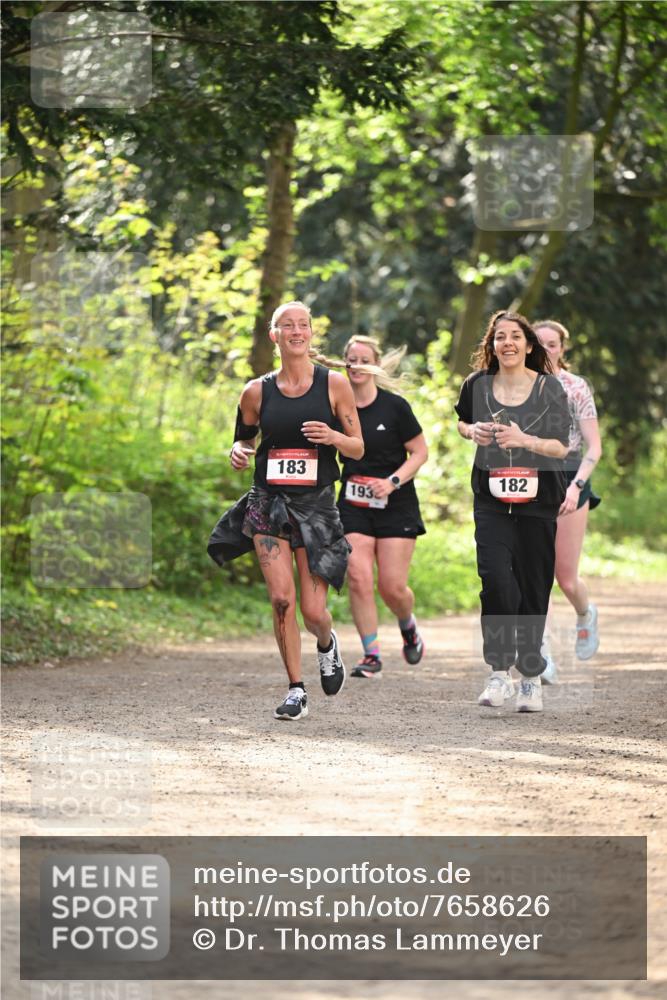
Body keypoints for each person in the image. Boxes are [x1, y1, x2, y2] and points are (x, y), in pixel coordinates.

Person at [207, 301, 364, 721]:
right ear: (274, 335)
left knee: (313, 611)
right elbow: (242, 440)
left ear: (311, 333)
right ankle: (296, 689)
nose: (296, 331)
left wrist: (332, 436)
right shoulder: (256, 391)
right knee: (281, 599)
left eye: (303, 325)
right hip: (267, 503)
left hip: (315, 505)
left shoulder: (334, 385)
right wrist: (238, 452)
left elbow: (357, 446)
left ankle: (327, 643)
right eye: (287, 325)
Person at [454, 310, 571, 713]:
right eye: (499, 336)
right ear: (491, 345)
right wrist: (473, 431)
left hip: (539, 503)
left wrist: (526, 439)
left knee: (533, 588)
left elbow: (561, 447)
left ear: (527, 345)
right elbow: (462, 423)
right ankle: (500, 672)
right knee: (496, 581)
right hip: (490, 500)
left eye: (515, 336)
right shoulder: (477, 385)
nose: (507, 343)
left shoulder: (549, 389)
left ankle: (531, 678)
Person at [337, 336, 428, 677]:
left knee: (391, 587)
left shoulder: (394, 407)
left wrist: (392, 482)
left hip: (396, 502)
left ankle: (407, 624)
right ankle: (370, 654)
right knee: (358, 576)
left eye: (363, 358)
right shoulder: (337, 407)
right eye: (350, 358)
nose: (356, 364)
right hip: (353, 503)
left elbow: (420, 452)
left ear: (374, 365)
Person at [535, 320, 602, 680]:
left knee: (565, 577)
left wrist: (576, 486)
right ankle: (541, 654)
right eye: (539, 343)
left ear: (562, 349)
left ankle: (584, 613)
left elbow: (595, 447)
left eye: (552, 344)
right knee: (535, 572)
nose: (546, 350)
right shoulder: (519, 385)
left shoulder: (575, 388)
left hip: (571, 475)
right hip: (532, 476)